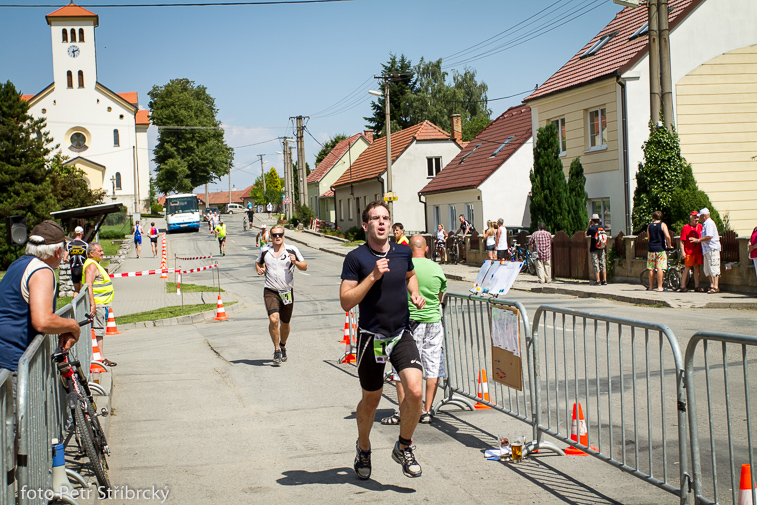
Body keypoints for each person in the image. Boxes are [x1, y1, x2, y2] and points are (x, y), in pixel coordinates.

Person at [340, 201, 425, 480]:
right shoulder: (356, 258)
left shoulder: (402, 252)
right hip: (371, 338)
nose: (381, 222)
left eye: (385, 218)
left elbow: (410, 277)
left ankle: (404, 446)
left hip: (401, 332)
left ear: (390, 224)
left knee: (414, 391)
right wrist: (373, 277)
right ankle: (363, 447)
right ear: (366, 226)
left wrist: (415, 292)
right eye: (375, 218)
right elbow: (345, 301)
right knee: (371, 400)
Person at [0, 221, 81, 397]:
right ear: (57, 251)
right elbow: (43, 321)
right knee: (13, 423)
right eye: (64, 249)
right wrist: (72, 325)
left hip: (5, 356)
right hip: (12, 362)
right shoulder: (42, 271)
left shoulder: (18, 265)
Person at [381, 235, 447, 426]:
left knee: (401, 365)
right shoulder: (436, 267)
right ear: (426, 249)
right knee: (432, 365)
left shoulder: (405, 266)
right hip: (434, 321)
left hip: (410, 321)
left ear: (409, 250)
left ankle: (404, 410)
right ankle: (427, 411)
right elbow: (440, 293)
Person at [255, 225, 307, 364]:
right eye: (275, 235)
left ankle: (283, 345)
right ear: (270, 237)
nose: (277, 237)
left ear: (284, 236)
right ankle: (277, 349)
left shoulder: (292, 249)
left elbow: (305, 266)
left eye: (280, 234)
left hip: (286, 291)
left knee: (285, 323)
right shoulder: (265, 250)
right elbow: (258, 262)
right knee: (274, 320)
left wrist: (295, 262)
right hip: (270, 290)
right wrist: (259, 269)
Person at [83, 243, 117, 367]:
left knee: (99, 331)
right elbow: (88, 285)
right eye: (99, 251)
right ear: (91, 253)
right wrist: (93, 304)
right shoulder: (91, 266)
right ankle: (100, 358)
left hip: (101, 303)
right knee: (98, 332)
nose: (102, 253)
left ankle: (99, 357)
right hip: (98, 304)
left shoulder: (94, 264)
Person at [692, 208, 721, 293]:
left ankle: (715, 286)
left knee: (714, 267)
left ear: (703, 216)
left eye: (700, 216)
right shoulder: (706, 223)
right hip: (707, 249)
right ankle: (712, 285)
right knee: (708, 269)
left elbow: (709, 236)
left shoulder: (709, 223)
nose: (699, 218)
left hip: (712, 248)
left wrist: (698, 240)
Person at [680, 211, 704, 292]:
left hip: (698, 251)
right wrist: (683, 252)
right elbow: (682, 241)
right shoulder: (685, 227)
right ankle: (683, 286)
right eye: (694, 218)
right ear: (691, 218)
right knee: (687, 268)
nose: (696, 219)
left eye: (697, 217)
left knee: (697, 268)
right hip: (689, 252)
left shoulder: (700, 226)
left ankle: (697, 286)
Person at [66, 226, 88, 295]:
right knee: (82, 291)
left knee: (76, 290)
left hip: (73, 268)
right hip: (82, 268)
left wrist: (71, 262)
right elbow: (88, 258)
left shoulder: (69, 244)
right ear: (82, 233)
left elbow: (64, 258)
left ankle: (74, 305)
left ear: (74, 233)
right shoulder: (85, 245)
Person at [586, 213, 607, 285]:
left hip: (594, 248)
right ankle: (604, 280)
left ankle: (598, 280)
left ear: (592, 220)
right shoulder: (602, 227)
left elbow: (586, 234)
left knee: (596, 264)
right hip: (602, 248)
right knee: (603, 263)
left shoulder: (592, 229)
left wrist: (589, 224)